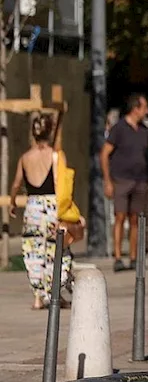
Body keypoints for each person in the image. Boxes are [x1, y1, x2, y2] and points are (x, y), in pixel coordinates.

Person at [7, 115, 75, 310]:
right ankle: (55, 292)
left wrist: (13, 202)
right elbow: (62, 183)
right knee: (58, 250)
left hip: (33, 207)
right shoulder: (56, 155)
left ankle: (38, 296)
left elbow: (16, 184)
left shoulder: (25, 157)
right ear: (51, 132)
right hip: (53, 206)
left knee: (34, 252)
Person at [101, 94, 148, 272]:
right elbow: (104, 153)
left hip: (140, 180)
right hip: (121, 180)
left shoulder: (144, 130)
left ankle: (134, 256)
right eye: (145, 108)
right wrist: (107, 181)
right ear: (136, 109)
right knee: (120, 217)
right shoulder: (119, 129)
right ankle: (118, 257)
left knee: (136, 219)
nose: (147, 111)